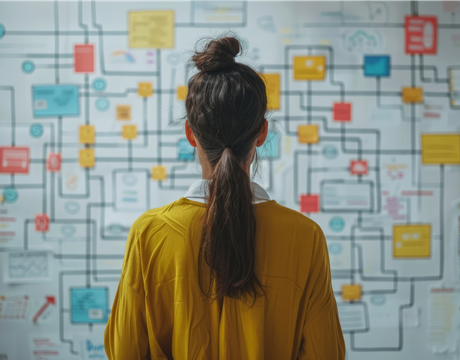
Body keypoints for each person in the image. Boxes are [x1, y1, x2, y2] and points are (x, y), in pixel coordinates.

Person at [105, 36, 345, 360]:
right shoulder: (305, 236)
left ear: (191, 133)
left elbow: (125, 353)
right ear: (262, 133)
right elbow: (325, 353)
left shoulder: (149, 233)